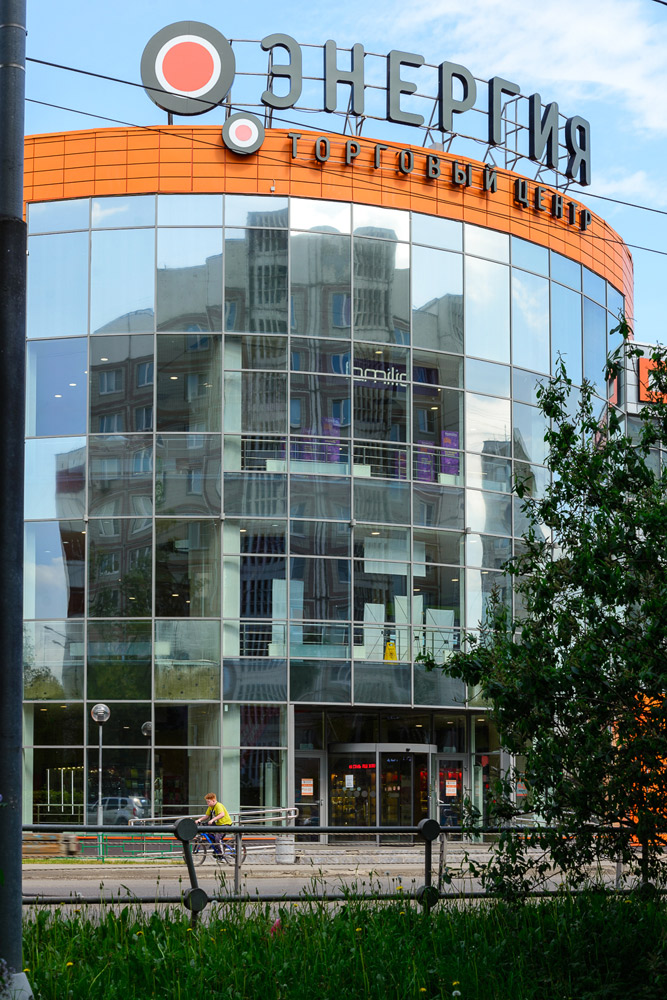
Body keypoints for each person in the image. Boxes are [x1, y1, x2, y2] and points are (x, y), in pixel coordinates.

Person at [198, 792, 232, 858]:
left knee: (217, 838)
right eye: (207, 802)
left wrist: (212, 820)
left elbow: (222, 814)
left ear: (213, 800)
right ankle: (216, 846)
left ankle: (221, 855)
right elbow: (207, 816)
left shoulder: (218, 805)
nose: (207, 803)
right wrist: (199, 820)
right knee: (207, 829)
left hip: (225, 824)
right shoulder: (210, 807)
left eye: (208, 802)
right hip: (218, 824)